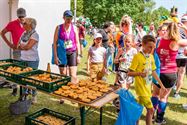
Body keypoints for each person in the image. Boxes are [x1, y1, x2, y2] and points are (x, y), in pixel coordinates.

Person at [128, 35, 165, 125]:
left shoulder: (151, 57)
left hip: (148, 88)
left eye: (153, 47)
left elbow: (153, 72)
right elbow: (129, 73)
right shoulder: (137, 57)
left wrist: (162, 85)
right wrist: (140, 73)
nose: (151, 49)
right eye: (149, 47)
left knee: (139, 108)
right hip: (141, 89)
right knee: (151, 110)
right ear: (143, 44)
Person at [156, 22, 187, 124]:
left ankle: (151, 115)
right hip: (170, 73)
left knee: (155, 94)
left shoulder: (161, 39)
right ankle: (159, 119)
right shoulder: (177, 42)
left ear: (167, 29)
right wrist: (185, 28)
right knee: (164, 97)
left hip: (158, 71)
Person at [0, 8, 26, 96]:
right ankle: (15, 90)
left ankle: (25, 92)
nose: (22, 18)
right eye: (20, 16)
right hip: (17, 51)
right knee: (15, 70)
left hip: (27, 51)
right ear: (17, 16)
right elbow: (2, 33)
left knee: (26, 71)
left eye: (23, 16)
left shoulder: (28, 23)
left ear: (25, 15)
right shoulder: (12, 24)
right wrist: (9, 44)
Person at [53, 10, 80, 83]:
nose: (69, 20)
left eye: (70, 18)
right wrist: (55, 57)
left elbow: (77, 42)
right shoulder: (58, 28)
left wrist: (79, 55)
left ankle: (74, 91)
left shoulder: (74, 28)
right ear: (63, 18)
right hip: (62, 53)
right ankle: (65, 90)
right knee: (63, 75)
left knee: (73, 75)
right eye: (67, 18)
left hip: (72, 52)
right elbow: (54, 43)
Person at [17, 17, 39, 104]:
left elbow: (28, 47)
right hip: (23, 59)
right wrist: (22, 46)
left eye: (25, 23)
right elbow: (18, 45)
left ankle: (34, 96)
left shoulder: (35, 35)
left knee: (32, 79)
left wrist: (22, 46)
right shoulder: (24, 33)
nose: (23, 24)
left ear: (30, 25)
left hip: (32, 60)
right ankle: (24, 96)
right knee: (23, 79)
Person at [174, 15, 187, 98]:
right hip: (182, 55)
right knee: (180, 74)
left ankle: (174, 89)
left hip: (178, 55)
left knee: (177, 73)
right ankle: (176, 93)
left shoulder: (176, 29)